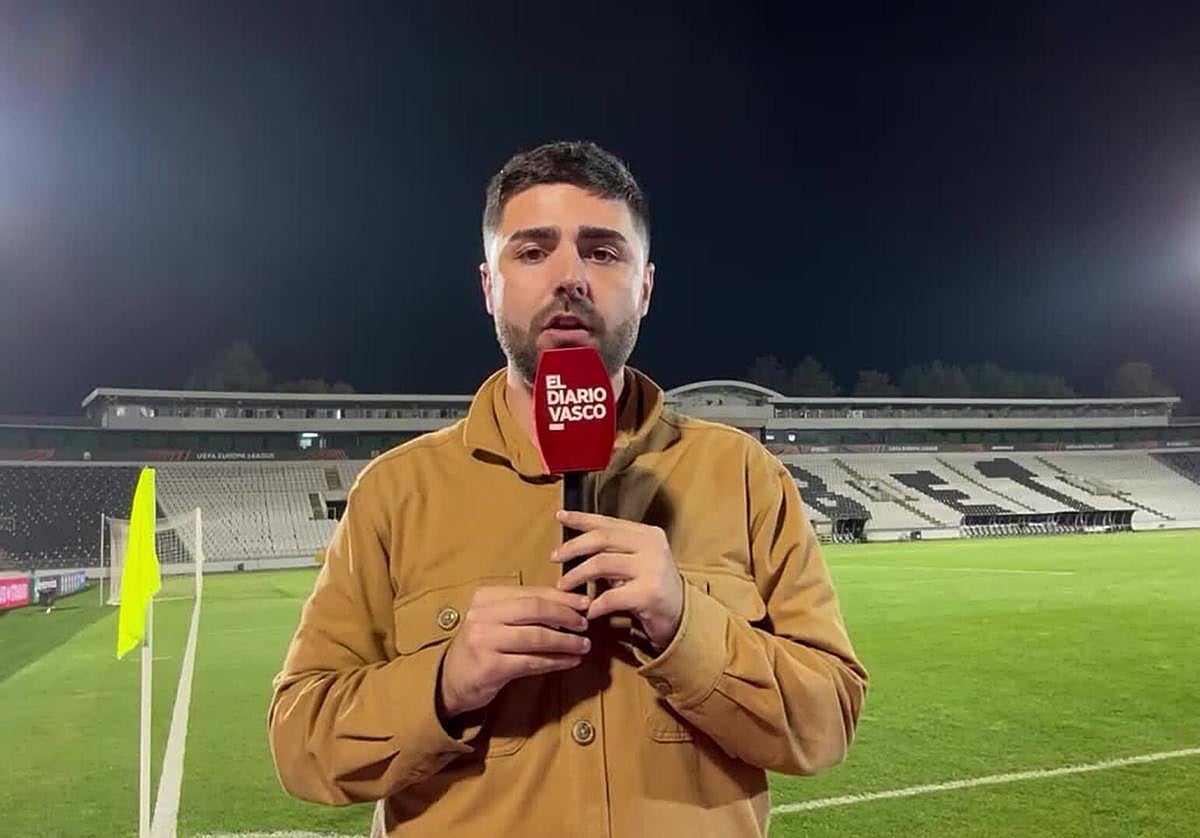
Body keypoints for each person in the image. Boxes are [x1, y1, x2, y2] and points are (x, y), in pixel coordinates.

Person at [268, 140, 868, 837]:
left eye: (603, 251)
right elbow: (301, 744)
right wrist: (447, 679)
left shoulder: (745, 475)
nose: (570, 278)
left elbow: (826, 723)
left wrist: (687, 625)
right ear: (489, 285)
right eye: (532, 251)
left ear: (645, 286)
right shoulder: (396, 492)